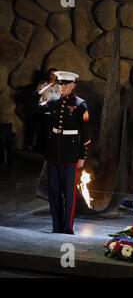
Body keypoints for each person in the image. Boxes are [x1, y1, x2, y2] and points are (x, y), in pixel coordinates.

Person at [31, 71, 90, 234]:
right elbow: (33, 109)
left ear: (73, 85)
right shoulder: (53, 101)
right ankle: (56, 227)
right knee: (54, 193)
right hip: (53, 154)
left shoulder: (80, 104)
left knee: (69, 195)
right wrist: (39, 93)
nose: (61, 87)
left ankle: (67, 227)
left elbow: (86, 135)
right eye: (60, 84)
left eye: (65, 84)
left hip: (70, 155)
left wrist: (82, 156)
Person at [35, 68, 60, 201]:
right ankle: (46, 159)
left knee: (54, 137)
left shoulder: (59, 87)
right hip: (46, 115)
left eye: (55, 75)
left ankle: (53, 156)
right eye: (51, 74)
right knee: (46, 136)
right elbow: (38, 96)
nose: (53, 77)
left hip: (55, 115)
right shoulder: (44, 85)